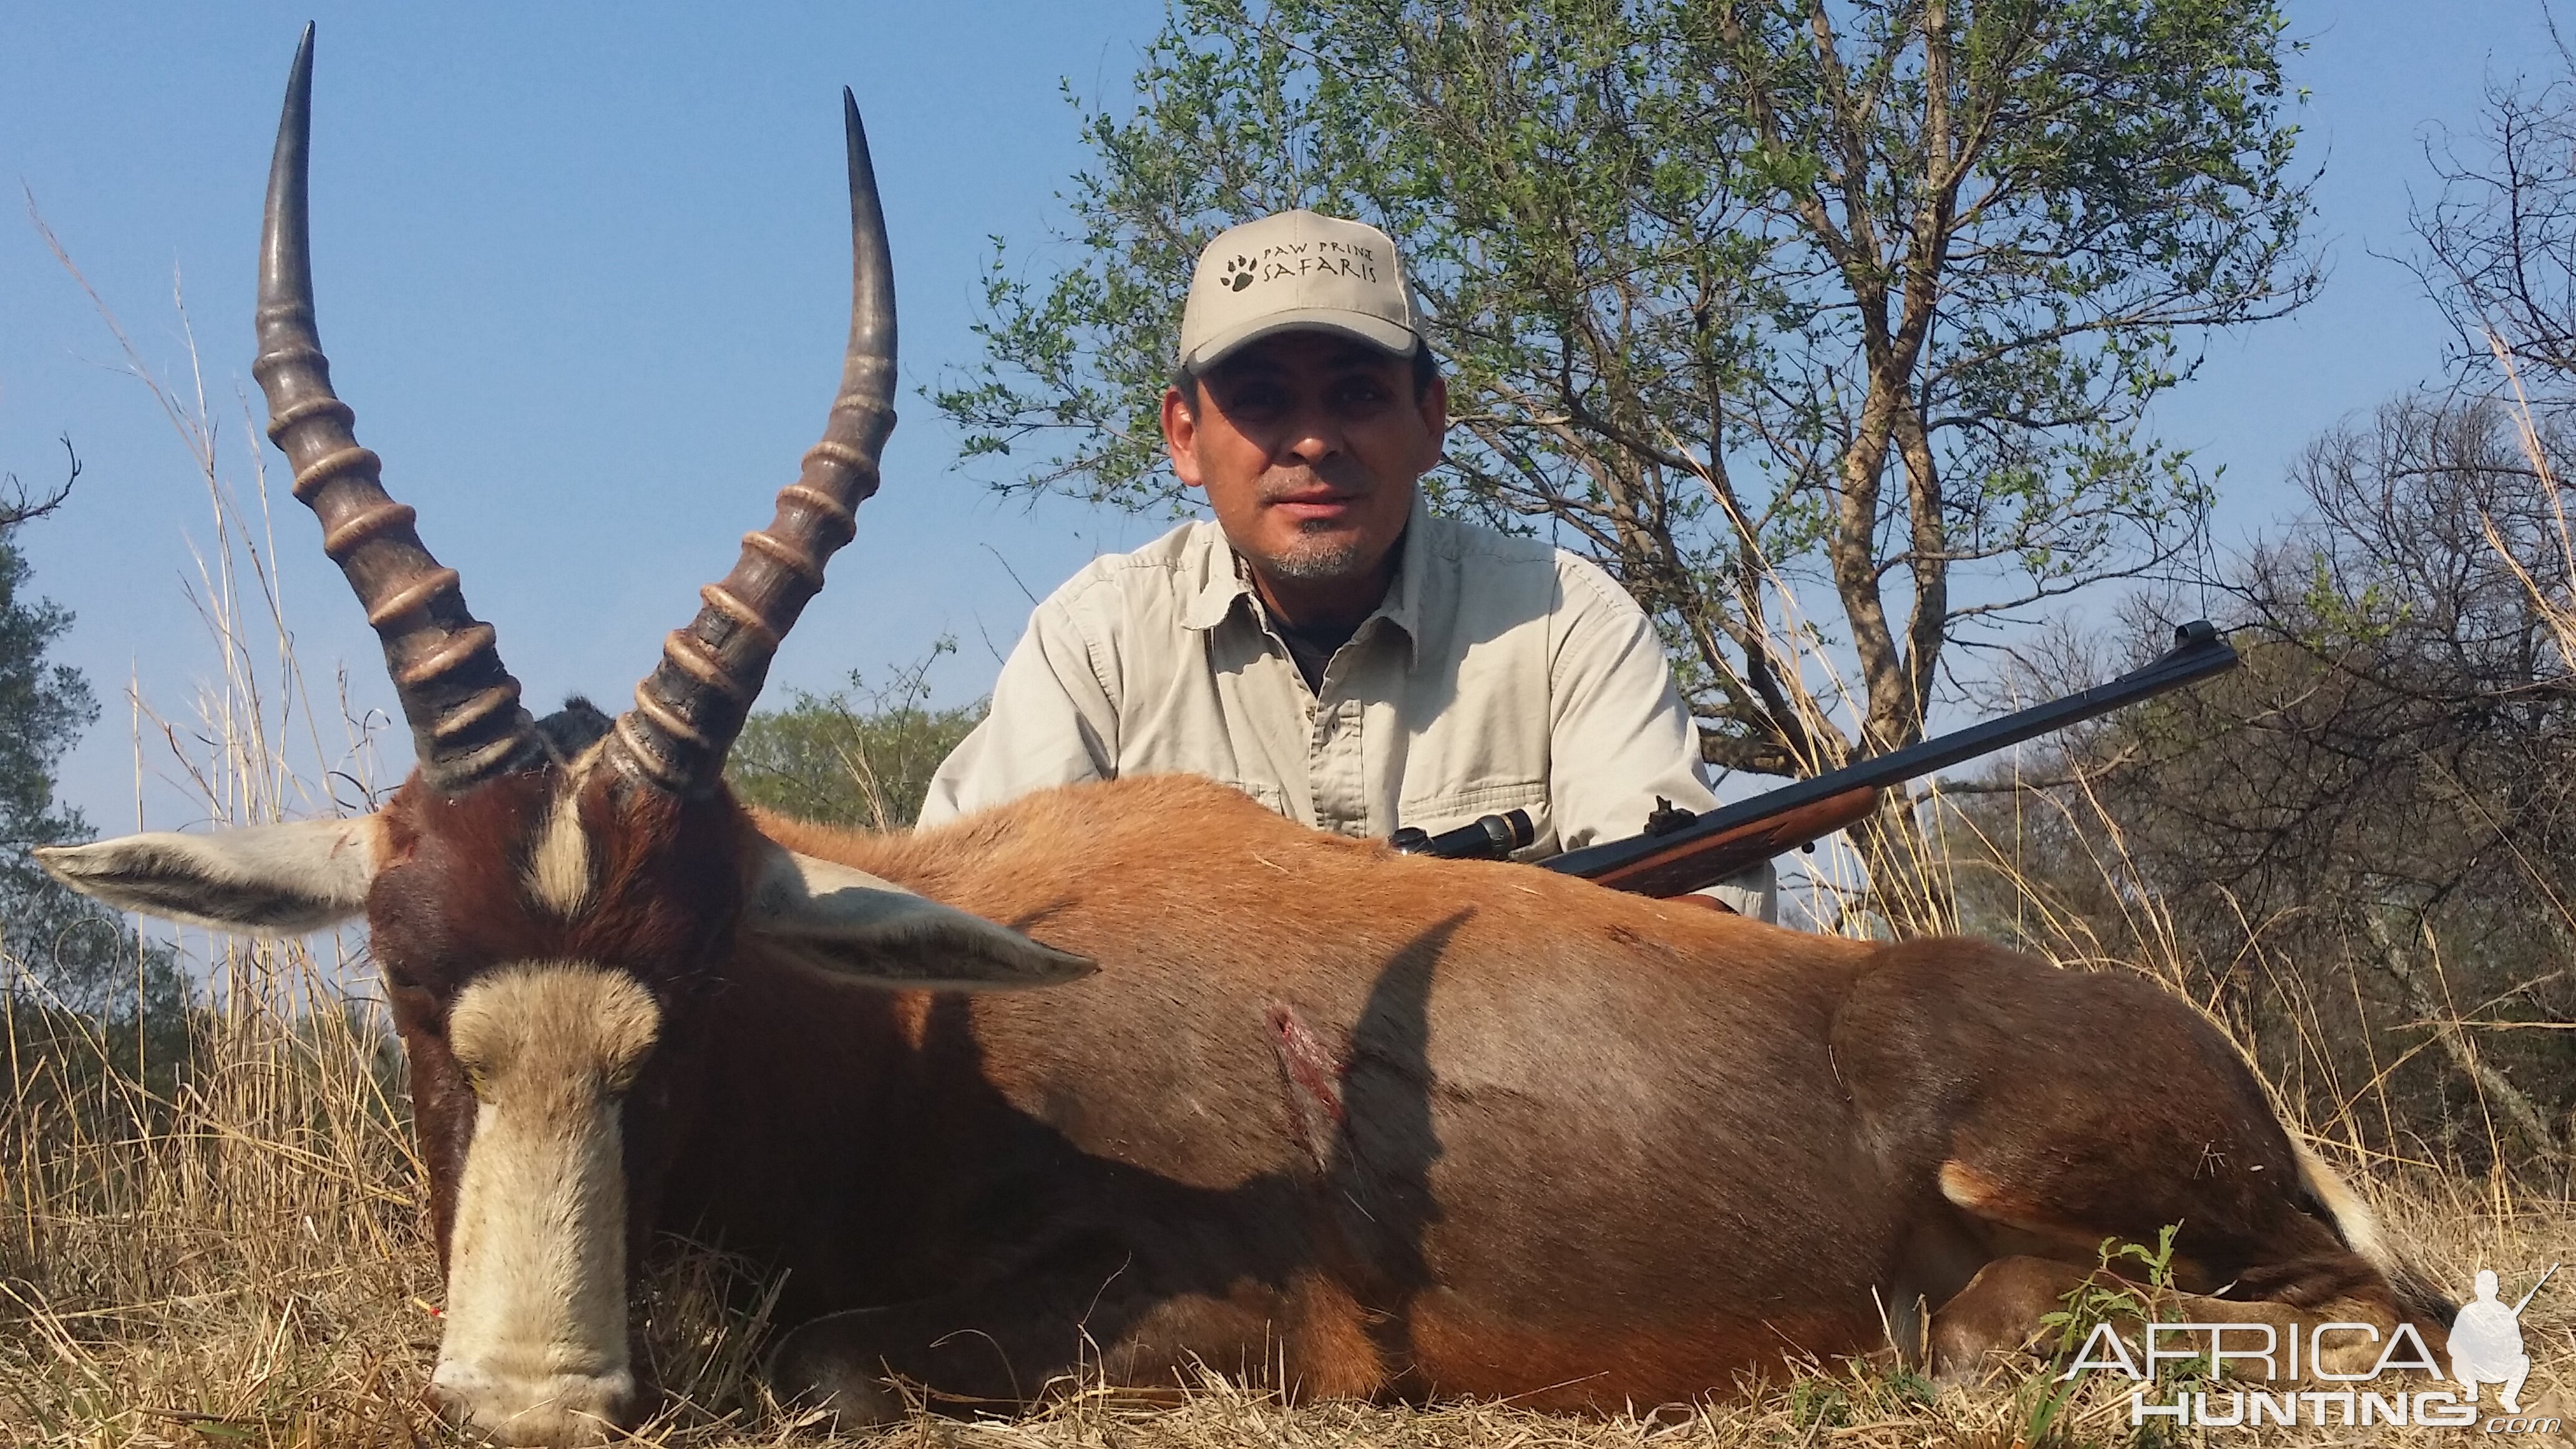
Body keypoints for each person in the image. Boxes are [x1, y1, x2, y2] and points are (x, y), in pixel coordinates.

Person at [919, 208, 1776, 919]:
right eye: (1260, 400)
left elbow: (1696, 936)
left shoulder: (1565, 621)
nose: (1314, 440)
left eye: (1358, 394)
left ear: (1431, 419)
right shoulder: (1095, 646)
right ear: (1184, 435)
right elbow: (963, 927)